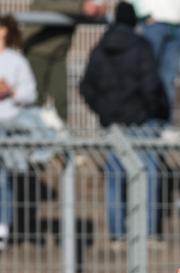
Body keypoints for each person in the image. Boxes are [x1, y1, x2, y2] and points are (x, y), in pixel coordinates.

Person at [79, 1, 169, 244]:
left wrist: (104, 112)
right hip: (141, 121)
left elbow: (86, 86)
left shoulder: (100, 48)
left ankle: (117, 233)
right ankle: (150, 232)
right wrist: (153, 110)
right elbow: (151, 84)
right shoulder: (142, 46)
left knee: (115, 176)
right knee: (148, 175)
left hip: (114, 124)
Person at [23, 0, 106, 123]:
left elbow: (87, 8)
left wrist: (96, 10)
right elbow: (45, 5)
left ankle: (62, 135)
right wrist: (82, 7)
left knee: (61, 98)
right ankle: (28, 138)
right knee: (34, 99)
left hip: (59, 53)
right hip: (37, 50)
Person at [0, 14, 38, 249]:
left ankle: (3, 226)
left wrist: (11, 91)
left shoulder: (16, 60)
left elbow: (30, 93)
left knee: (3, 178)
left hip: (10, 126)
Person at [133, 0, 180, 118]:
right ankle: (146, 124)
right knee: (147, 76)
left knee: (169, 80)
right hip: (154, 24)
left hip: (178, 24)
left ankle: (164, 124)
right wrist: (142, 14)